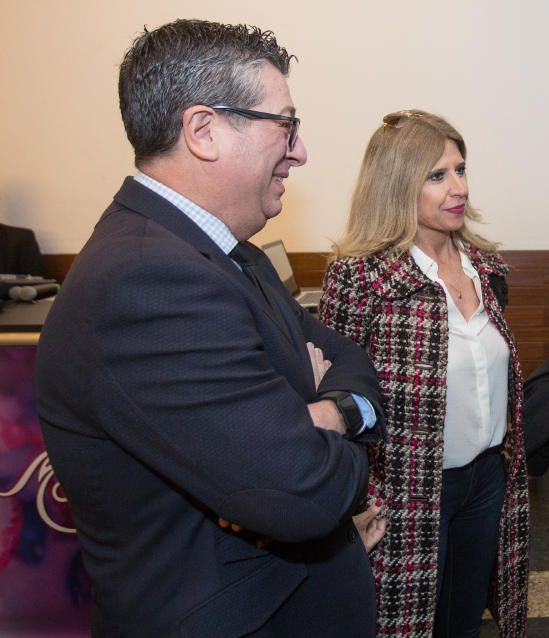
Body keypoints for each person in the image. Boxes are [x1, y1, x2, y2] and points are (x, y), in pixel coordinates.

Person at [35, 19, 386, 637]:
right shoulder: (146, 280)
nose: (301, 150)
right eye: (287, 124)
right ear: (204, 131)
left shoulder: (227, 253)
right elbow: (305, 492)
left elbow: (347, 359)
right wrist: (330, 429)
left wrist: (326, 415)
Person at [320, 110, 529, 637]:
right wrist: (355, 500)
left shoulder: (486, 267)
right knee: (404, 623)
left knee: (463, 617)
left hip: (486, 478)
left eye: (460, 170)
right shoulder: (361, 276)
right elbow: (334, 398)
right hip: (406, 489)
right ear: (396, 184)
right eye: (437, 176)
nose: (457, 188)